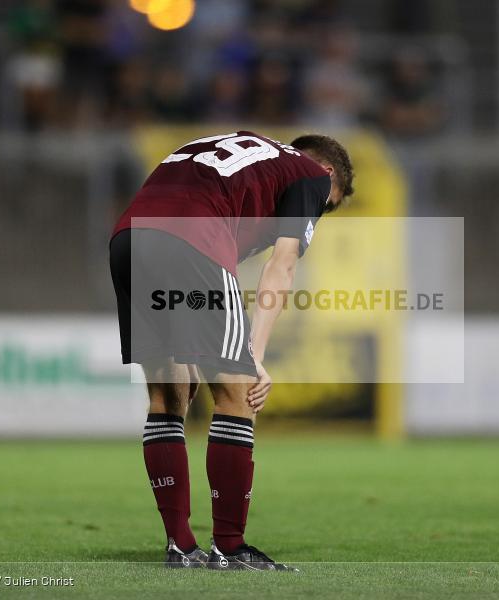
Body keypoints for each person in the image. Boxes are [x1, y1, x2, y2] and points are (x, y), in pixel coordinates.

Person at [109, 131, 354, 570]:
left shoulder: (245, 150)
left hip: (129, 238)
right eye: (328, 205)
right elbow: (282, 266)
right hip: (194, 238)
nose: (320, 212)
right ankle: (231, 546)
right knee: (238, 392)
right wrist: (255, 357)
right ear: (328, 172)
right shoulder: (310, 175)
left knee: (169, 393)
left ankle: (181, 546)